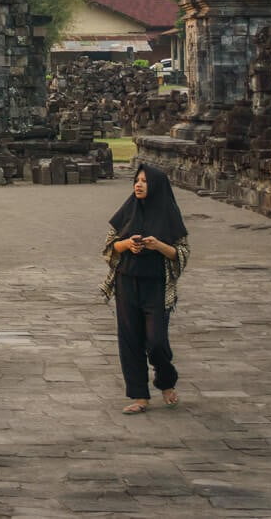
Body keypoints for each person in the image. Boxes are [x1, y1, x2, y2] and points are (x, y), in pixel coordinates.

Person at [100, 163, 190, 414]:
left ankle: (166, 380)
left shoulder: (169, 215)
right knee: (130, 340)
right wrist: (128, 243)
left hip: (157, 285)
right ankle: (140, 396)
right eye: (136, 180)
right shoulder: (127, 211)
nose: (138, 185)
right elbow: (109, 249)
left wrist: (158, 245)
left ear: (157, 186)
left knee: (157, 341)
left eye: (144, 181)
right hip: (126, 282)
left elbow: (181, 253)